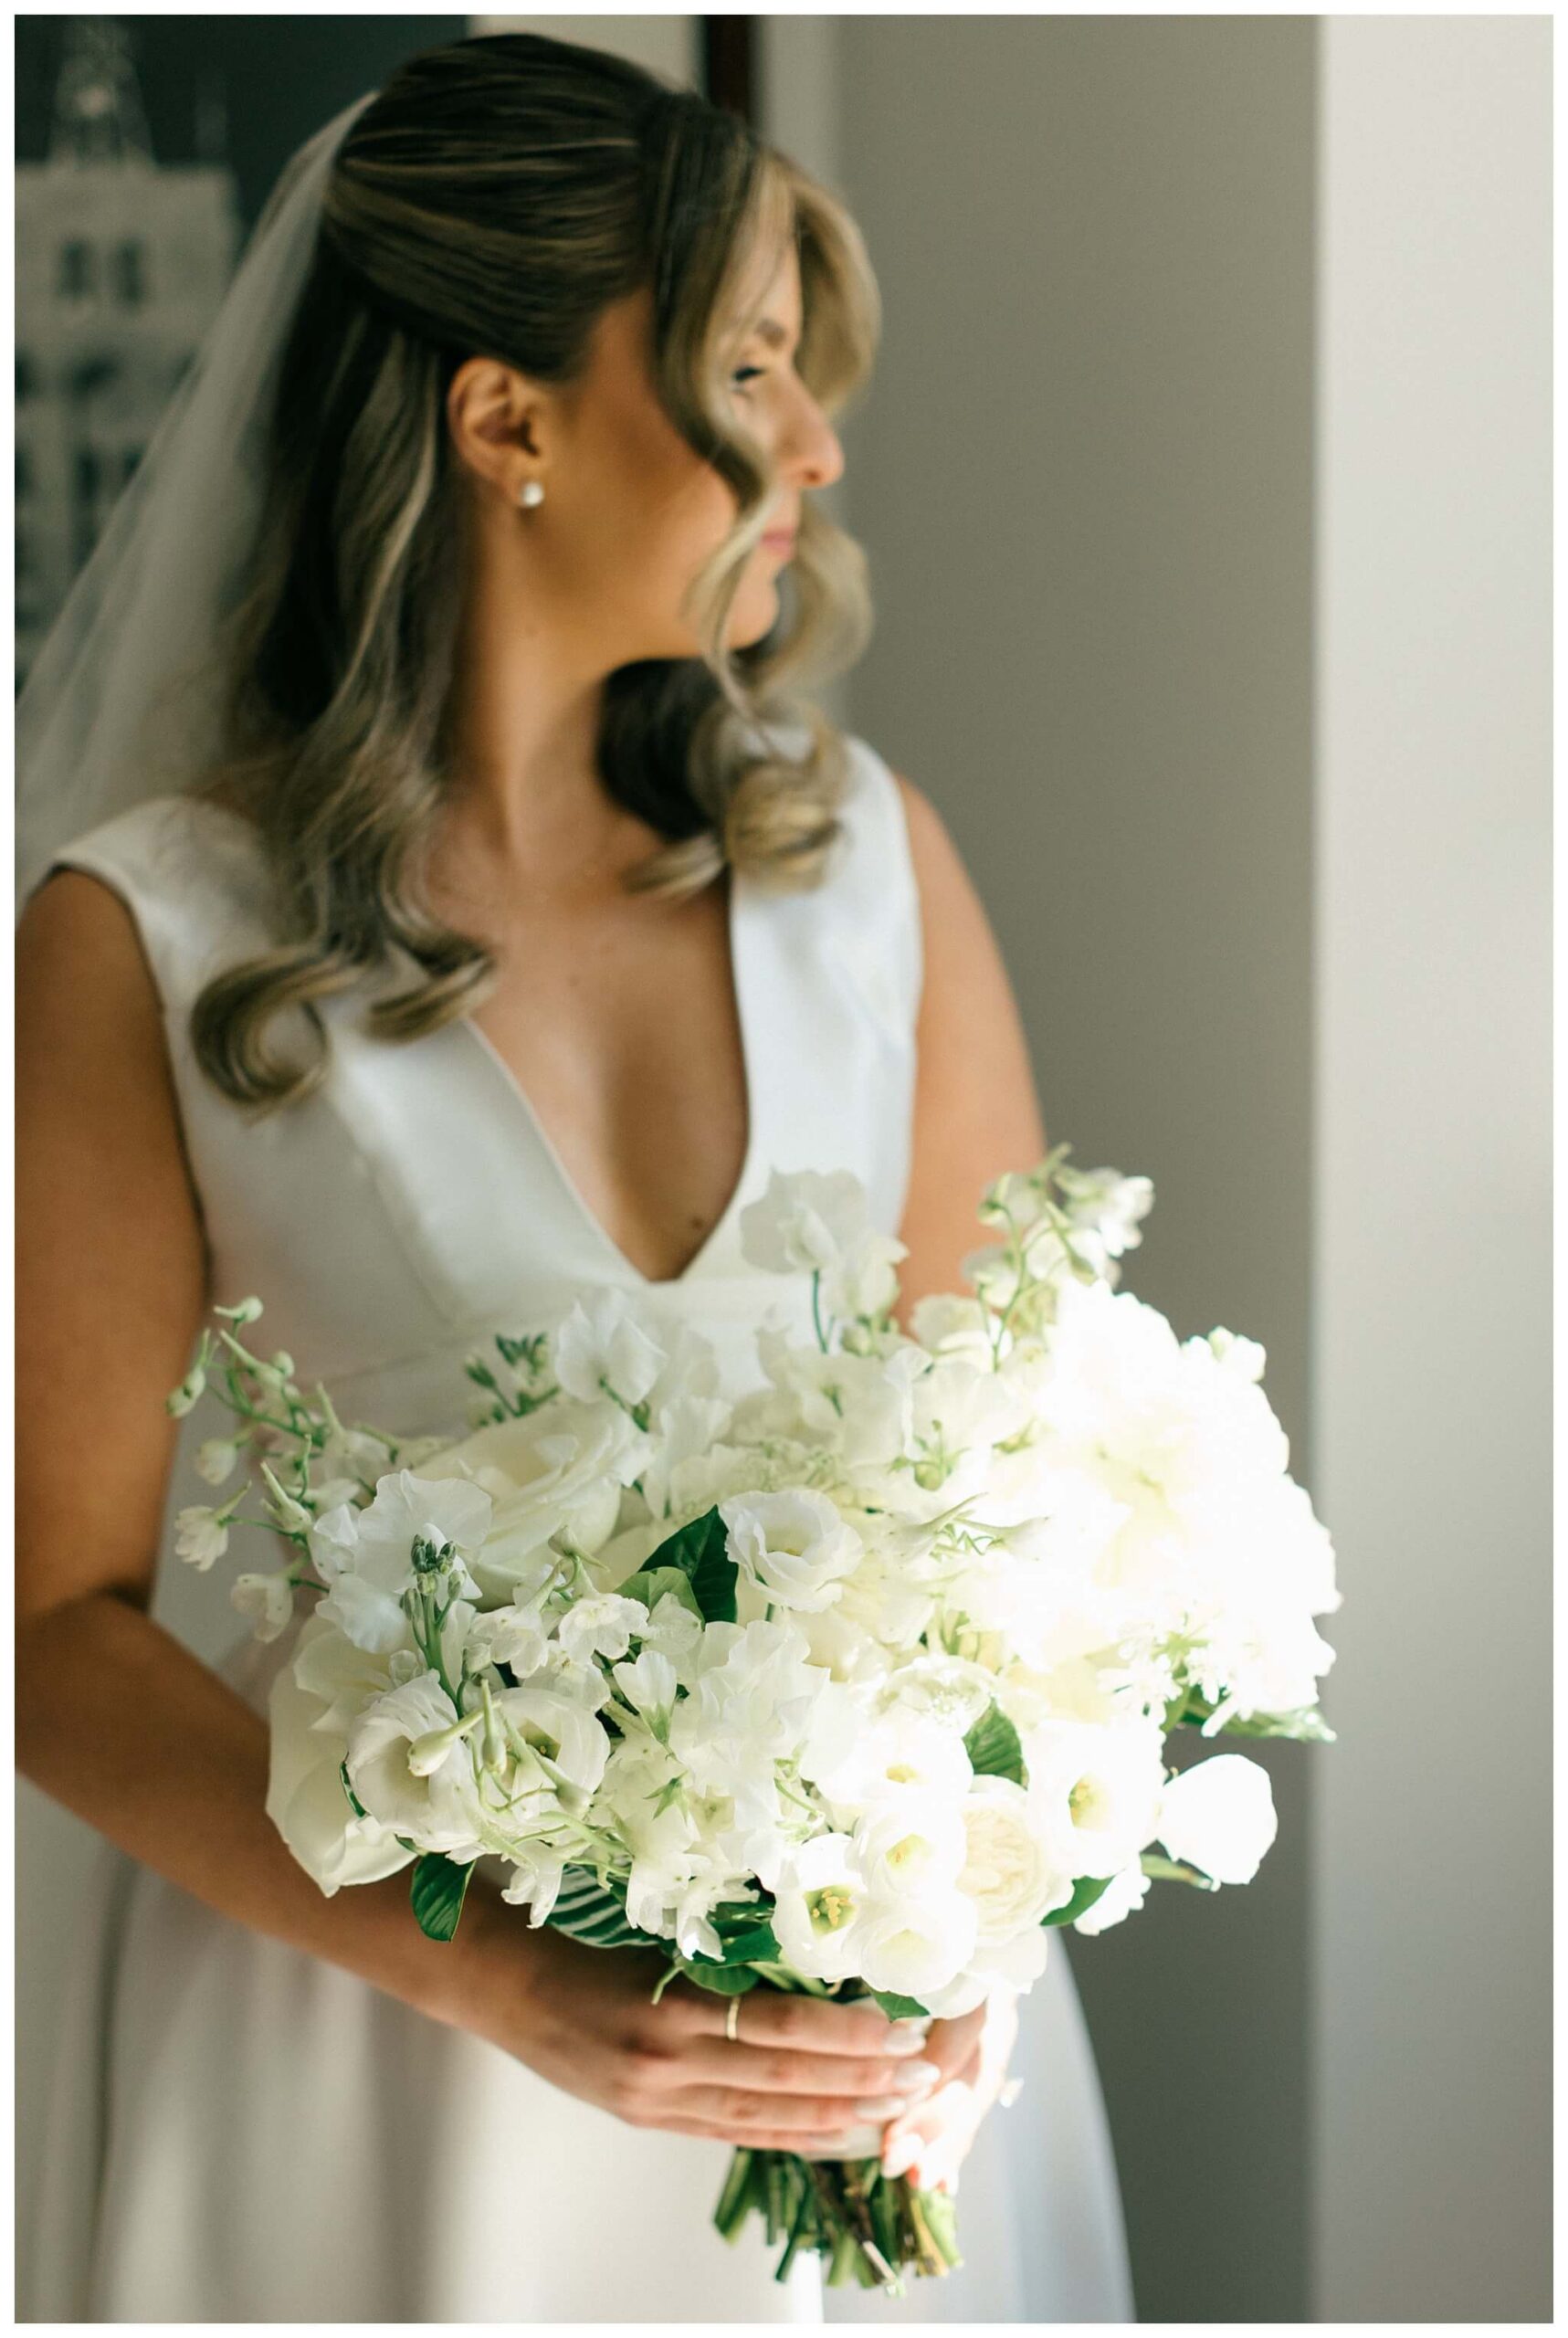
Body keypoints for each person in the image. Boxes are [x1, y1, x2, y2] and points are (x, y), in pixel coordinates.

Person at [15, 32, 1132, 2323]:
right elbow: (49, 1634)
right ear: (503, 416)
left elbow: (1025, 1504)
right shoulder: (152, 934)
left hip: (850, 2047)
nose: (816, 444)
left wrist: (975, 1902)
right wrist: (497, 1977)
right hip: (369, 2070)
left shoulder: (866, 871)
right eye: (744, 369)